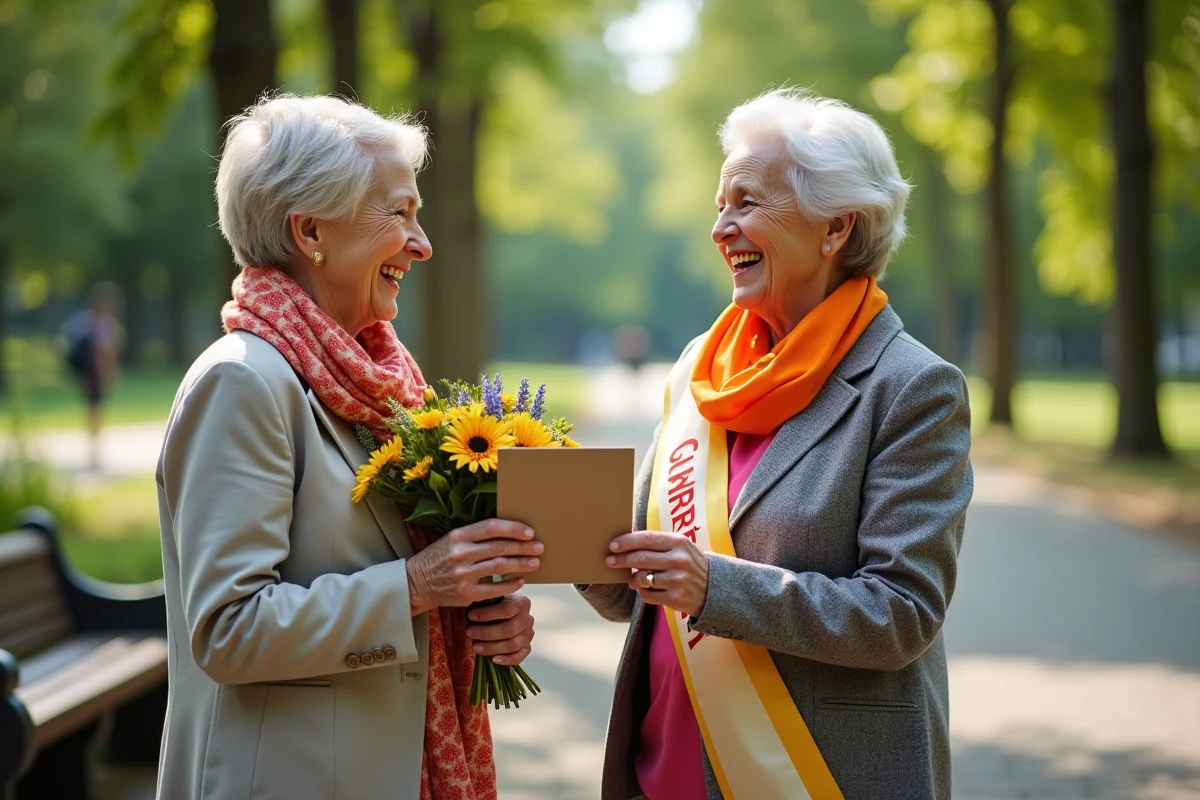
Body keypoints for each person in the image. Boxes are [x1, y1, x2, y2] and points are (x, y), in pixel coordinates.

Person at [579, 88, 974, 799]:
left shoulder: (912, 388)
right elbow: (632, 591)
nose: (720, 228)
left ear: (834, 228)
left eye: (746, 202)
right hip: (663, 766)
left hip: (820, 773)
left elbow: (901, 613)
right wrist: (563, 527)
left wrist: (713, 586)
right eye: (719, 204)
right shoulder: (700, 366)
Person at [155, 95, 541, 799]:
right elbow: (229, 631)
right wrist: (421, 586)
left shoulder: (380, 383)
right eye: (399, 214)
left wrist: (479, 615)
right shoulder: (243, 382)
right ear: (310, 231)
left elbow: (399, 582)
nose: (422, 244)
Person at [63, 281, 123, 469]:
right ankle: (94, 451)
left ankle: (93, 448)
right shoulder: (103, 324)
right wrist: (109, 373)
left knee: (92, 410)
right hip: (93, 372)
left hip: (83, 372)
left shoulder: (82, 320)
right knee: (95, 410)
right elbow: (103, 351)